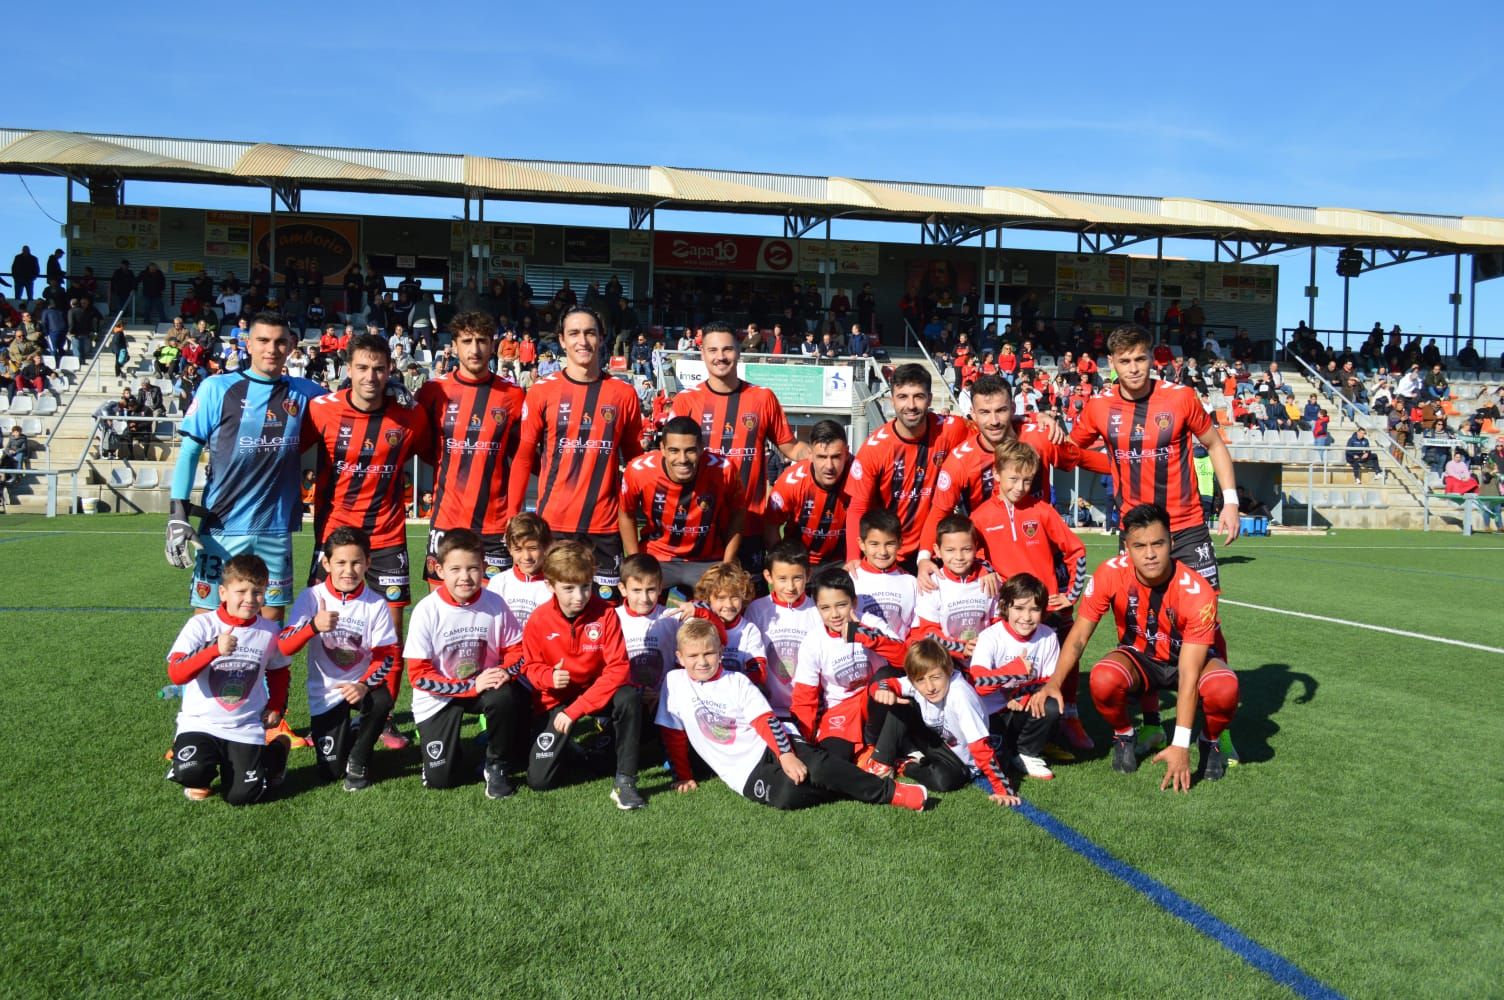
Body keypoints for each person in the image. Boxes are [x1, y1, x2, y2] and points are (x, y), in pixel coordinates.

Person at [1031, 504, 1240, 790]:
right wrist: (1055, 682)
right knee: (1104, 677)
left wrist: (1181, 744)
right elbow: (1079, 636)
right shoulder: (1109, 573)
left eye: (1158, 543)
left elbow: (1189, 675)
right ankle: (1124, 734)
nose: (1150, 554)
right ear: (1127, 547)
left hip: (1188, 661)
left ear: (1172, 543)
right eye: (1140, 545)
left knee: (1224, 688)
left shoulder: (1198, 592)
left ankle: (1211, 741)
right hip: (1140, 657)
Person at [657, 617, 926, 811]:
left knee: (817, 766)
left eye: (709, 653)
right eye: (693, 656)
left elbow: (766, 721)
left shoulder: (735, 681)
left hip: (772, 745)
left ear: (720, 652)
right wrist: (683, 774)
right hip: (744, 773)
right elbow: (673, 731)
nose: (702, 662)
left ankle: (891, 793)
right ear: (680, 657)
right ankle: (847, 779)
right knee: (788, 797)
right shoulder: (674, 682)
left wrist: (785, 755)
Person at [165, 313, 326, 622]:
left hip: (275, 529)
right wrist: (177, 514)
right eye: (263, 341)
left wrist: (393, 390)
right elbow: (188, 452)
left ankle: (265, 674)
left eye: (280, 342)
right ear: (248, 344)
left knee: (269, 623)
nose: (272, 349)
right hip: (222, 526)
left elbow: (353, 401)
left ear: (291, 346)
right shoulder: (216, 387)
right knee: (210, 617)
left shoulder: (306, 392)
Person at [1068, 326, 1241, 589]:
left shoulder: (1180, 397)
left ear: (1151, 358)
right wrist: (1043, 424)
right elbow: (1069, 450)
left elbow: (1215, 445)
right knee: (1138, 621)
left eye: (1140, 359)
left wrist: (1231, 501)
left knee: (1204, 620)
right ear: (1112, 363)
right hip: (1136, 532)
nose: (1133, 368)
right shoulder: (1099, 406)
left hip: (1187, 528)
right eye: (1124, 361)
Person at [489, 541, 646, 809]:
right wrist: (548, 678)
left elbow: (618, 669)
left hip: (593, 696)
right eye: (569, 588)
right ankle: (571, 748)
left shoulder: (606, 614)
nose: (580, 596)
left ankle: (625, 782)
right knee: (540, 781)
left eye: (586, 586)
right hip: (555, 701)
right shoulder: (539, 619)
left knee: (629, 696)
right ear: (550, 586)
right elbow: (530, 666)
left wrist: (576, 710)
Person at [917, 374, 1105, 590]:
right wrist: (923, 558)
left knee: (1055, 621)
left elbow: (1083, 459)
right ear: (973, 414)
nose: (994, 421)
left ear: (1013, 408)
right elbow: (939, 513)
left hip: (1042, 558)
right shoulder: (960, 462)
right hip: (991, 570)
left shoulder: (1040, 438)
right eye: (985, 412)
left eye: (1001, 410)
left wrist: (1134, 467)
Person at [508, 306, 644, 598]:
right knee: (554, 614)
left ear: (601, 338)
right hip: (553, 525)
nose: (582, 341)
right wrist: (513, 514)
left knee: (607, 618)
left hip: (605, 526)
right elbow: (522, 456)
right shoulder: (542, 391)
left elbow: (636, 464)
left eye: (590, 333)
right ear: (561, 340)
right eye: (574, 333)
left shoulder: (623, 394)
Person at [670, 322, 807, 577]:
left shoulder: (762, 398)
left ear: (739, 351)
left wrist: (827, 456)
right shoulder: (686, 400)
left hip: (749, 526)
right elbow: (668, 461)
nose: (720, 357)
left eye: (727, 349)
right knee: (698, 611)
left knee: (745, 609)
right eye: (712, 350)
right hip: (698, 527)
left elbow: (792, 447)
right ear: (702, 354)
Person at [275, 528, 401, 790]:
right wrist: (313, 626)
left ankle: (359, 759)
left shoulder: (375, 604)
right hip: (326, 694)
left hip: (361, 687)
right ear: (326, 563)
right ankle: (354, 730)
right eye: (341, 563)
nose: (349, 570)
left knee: (382, 699)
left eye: (356, 562)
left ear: (368, 563)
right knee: (331, 772)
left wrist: (364, 684)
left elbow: (386, 657)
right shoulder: (311, 597)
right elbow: (285, 647)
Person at [403, 529, 525, 797]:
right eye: (455, 569)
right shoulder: (427, 610)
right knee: (441, 780)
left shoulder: (495, 603)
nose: (465, 577)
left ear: (484, 567)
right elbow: (419, 676)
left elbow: (518, 651)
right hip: (439, 695)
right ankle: (448, 750)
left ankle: (496, 764)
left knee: (503, 696)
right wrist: (470, 685)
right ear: (439, 569)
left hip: (483, 687)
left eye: (473, 568)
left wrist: (505, 671)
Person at [163, 554, 293, 804]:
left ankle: (276, 753)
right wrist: (213, 649)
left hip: (244, 726)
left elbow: (279, 670)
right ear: (223, 592)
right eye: (241, 591)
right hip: (200, 723)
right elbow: (176, 673)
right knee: (192, 772)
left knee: (242, 796)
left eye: (257, 592)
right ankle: (198, 770)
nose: (249, 599)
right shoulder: (201, 625)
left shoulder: (269, 631)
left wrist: (276, 706)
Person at [415, 311, 525, 582]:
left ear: (492, 344)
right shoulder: (432, 392)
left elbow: (521, 456)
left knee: (494, 615)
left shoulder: (513, 395)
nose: (474, 349)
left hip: (495, 524)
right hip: (446, 520)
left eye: (481, 341)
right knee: (441, 609)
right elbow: (423, 447)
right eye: (466, 341)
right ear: (453, 345)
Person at [860, 638, 1019, 804]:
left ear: (949, 670)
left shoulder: (961, 696)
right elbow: (881, 683)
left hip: (959, 757)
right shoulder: (922, 677)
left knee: (946, 781)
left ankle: (905, 763)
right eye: (920, 680)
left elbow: (980, 746)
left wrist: (1002, 789)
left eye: (936, 677)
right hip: (936, 737)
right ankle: (881, 762)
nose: (929, 687)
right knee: (900, 702)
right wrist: (883, 690)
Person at [843, 364, 970, 569]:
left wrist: (1033, 418)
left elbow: (991, 431)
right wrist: (852, 558)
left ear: (929, 399)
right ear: (892, 399)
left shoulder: (952, 429)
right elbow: (858, 508)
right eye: (902, 397)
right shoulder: (874, 448)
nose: (910, 405)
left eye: (918, 396)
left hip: (933, 552)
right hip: (888, 553)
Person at [617, 415, 746, 592]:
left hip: (707, 558)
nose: (683, 459)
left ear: (701, 448)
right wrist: (635, 561)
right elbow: (626, 513)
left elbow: (738, 512)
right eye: (674, 450)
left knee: (726, 608)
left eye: (690, 450)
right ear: (662, 448)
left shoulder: (724, 469)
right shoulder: (639, 470)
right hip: (657, 556)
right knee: (640, 604)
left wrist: (728, 561)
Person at [790, 568, 905, 760]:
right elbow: (804, 697)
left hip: (877, 704)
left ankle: (875, 747)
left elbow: (905, 657)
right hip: (841, 710)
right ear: (817, 607)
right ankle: (874, 755)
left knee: (886, 674)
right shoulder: (813, 641)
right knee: (834, 759)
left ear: (854, 602)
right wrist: (803, 742)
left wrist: (864, 635)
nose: (834, 614)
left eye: (841, 605)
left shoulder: (870, 622)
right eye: (825, 608)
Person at [966, 573, 1064, 780]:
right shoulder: (990, 636)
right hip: (990, 712)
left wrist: (1021, 693)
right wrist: (1013, 670)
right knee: (998, 762)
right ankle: (1009, 747)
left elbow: (1049, 681)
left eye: (1035, 609)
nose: (1026, 617)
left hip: (1023, 707)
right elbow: (980, 684)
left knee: (1051, 704)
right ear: (1005, 606)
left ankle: (1027, 752)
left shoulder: (1048, 636)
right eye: (1019, 608)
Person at [744, 540, 823, 722]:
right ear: (768, 576)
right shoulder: (757, 609)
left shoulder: (818, 611)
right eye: (782, 579)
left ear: (808, 575)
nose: (790, 587)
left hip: (807, 710)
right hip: (766, 710)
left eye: (797, 578)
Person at [909, 514, 998, 665]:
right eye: (950, 550)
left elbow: (998, 622)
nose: (959, 557)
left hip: (986, 660)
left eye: (966, 549)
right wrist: (960, 648)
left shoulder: (989, 580)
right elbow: (928, 631)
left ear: (976, 547)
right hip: (947, 663)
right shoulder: (931, 584)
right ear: (937, 550)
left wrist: (988, 646)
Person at [764, 419, 852, 568]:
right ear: (810, 454)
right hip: (800, 561)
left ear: (847, 453)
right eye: (822, 457)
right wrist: (783, 564)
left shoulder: (860, 476)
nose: (829, 466)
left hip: (843, 562)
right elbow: (771, 525)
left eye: (836, 457)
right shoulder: (791, 482)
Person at [615, 553, 682, 713]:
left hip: (665, 697)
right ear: (622, 589)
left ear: (660, 587)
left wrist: (665, 693)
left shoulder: (673, 617)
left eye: (650, 589)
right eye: (636, 590)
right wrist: (636, 689)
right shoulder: (614, 618)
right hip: (627, 696)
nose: (644, 598)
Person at [850, 508, 918, 641]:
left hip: (901, 658)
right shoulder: (850, 580)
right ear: (861, 544)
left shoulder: (911, 581)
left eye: (890, 544)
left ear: (900, 543)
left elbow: (916, 628)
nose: (882, 552)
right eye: (874, 544)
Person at [485, 512, 554, 629]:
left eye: (533, 548)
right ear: (510, 550)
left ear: (546, 546)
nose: (526, 556)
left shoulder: (555, 584)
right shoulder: (498, 583)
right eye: (518, 549)